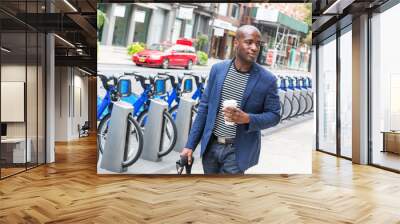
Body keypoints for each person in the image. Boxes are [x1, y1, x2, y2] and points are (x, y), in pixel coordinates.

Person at [181, 25, 281, 174]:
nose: (254, 48)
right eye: (249, 42)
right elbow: (204, 108)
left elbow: (274, 116)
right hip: (211, 147)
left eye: (258, 44)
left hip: (237, 152)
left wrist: (247, 118)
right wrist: (190, 145)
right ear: (236, 43)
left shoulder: (267, 79)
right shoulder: (218, 70)